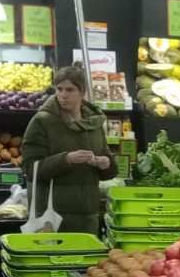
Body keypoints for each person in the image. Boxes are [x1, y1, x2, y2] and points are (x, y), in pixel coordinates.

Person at [20, 65, 115, 235]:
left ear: (82, 92)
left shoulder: (94, 123)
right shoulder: (42, 121)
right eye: (59, 89)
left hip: (87, 215)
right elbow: (30, 168)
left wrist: (106, 163)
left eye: (70, 89)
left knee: (85, 261)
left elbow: (108, 168)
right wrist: (66, 159)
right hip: (51, 217)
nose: (63, 95)